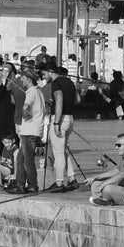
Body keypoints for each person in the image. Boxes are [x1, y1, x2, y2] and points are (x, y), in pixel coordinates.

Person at [10, 66, 45, 193]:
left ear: (29, 79)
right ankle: (24, 184)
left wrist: (24, 114)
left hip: (29, 131)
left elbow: (25, 107)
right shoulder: (39, 91)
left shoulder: (31, 92)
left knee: (25, 160)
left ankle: (29, 185)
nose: (22, 81)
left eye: (23, 79)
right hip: (34, 130)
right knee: (23, 158)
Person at [46, 62, 79, 192]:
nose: (44, 77)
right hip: (70, 119)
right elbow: (77, 99)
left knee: (58, 153)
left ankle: (59, 183)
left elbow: (59, 100)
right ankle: (72, 179)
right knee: (64, 151)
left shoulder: (56, 83)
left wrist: (56, 122)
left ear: (50, 71)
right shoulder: (70, 82)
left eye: (44, 74)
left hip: (60, 119)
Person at [0, 61, 18, 159]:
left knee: (10, 129)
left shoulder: (14, 82)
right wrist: (3, 84)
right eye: (3, 71)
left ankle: (11, 149)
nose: (5, 73)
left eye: (7, 71)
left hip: (10, 111)